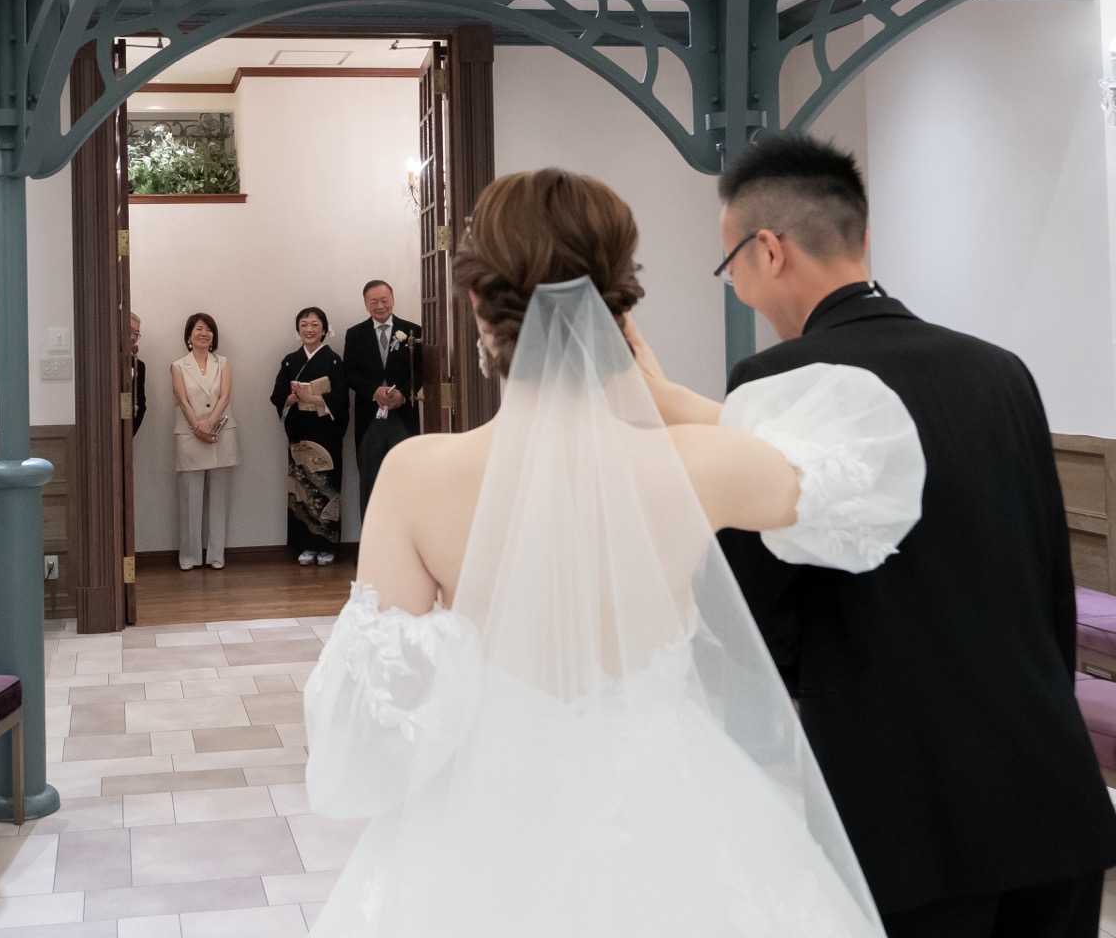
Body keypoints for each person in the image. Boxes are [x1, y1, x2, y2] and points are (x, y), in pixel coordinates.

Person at [302, 168, 928, 937]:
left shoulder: (417, 476)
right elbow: (867, 472)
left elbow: (373, 721)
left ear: (476, 303)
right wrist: (672, 402)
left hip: (487, 819)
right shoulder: (697, 463)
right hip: (667, 808)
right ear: (622, 307)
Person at [681, 133, 1116, 937]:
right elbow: (1051, 585)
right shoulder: (1000, 370)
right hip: (1053, 789)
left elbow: (747, 613)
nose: (739, 288)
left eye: (730, 267)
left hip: (902, 809)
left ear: (768, 250)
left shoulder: (775, 384)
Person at [271, 307, 351, 566]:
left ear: (324, 329)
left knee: (326, 487)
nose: (309, 329)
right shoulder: (289, 361)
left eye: (315, 324)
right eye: (304, 324)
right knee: (300, 488)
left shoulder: (334, 361)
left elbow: (341, 399)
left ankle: (327, 545)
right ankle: (304, 544)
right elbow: (277, 396)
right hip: (299, 432)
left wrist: (313, 399)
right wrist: (291, 399)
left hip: (326, 434)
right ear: (298, 329)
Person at [343, 280, 423, 514]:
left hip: (403, 416)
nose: (380, 306)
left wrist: (404, 395)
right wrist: (373, 391)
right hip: (370, 417)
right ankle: (371, 534)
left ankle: (408, 532)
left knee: (408, 475)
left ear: (393, 300)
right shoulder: (355, 334)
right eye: (374, 301)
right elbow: (350, 372)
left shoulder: (413, 331)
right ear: (366, 304)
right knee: (370, 479)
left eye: (384, 300)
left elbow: (421, 370)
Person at [170, 312, 238, 570]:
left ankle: (216, 556)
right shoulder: (178, 366)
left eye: (208, 329)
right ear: (189, 335)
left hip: (220, 432)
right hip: (190, 435)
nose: (204, 333)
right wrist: (196, 426)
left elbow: (225, 395)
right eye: (199, 329)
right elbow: (182, 399)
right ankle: (189, 557)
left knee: (219, 500)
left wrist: (209, 424)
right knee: (190, 500)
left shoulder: (223, 362)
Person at [129, 312, 147, 436]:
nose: (133, 337)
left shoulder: (138, 366)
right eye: (130, 331)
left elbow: (140, 405)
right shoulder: (102, 362)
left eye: (136, 334)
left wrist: (128, 434)